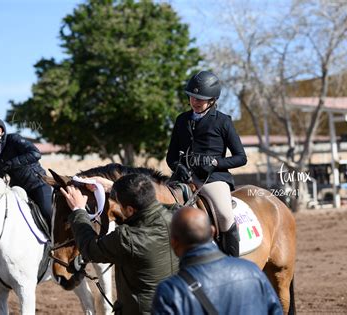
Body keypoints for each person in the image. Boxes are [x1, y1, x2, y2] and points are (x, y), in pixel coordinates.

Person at [61, 173, 179, 315]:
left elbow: (90, 249)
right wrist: (114, 187)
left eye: (121, 205)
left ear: (130, 210)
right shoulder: (178, 215)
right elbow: (152, 203)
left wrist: (78, 210)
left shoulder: (127, 238)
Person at [166, 70, 247, 257]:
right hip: (183, 178)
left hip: (213, 178)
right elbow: (170, 157)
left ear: (212, 100)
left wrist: (214, 162)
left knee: (226, 217)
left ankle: (232, 261)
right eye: (192, 97)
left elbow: (241, 157)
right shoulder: (181, 120)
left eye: (200, 99)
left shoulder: (223, 121)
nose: (195, 102)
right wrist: (178, 167)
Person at [151, 206, 282, 315]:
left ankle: (233, 251)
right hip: (185, 183)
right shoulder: (253, 270)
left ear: (173, 243)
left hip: (213, 181)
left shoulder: (169, 291)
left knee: (225, 216)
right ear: (212, 232)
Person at [0, 116, 52, 227]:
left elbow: (35, 154)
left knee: (46, 212)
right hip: (19, 192)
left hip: (38, 184)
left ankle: (54, 241)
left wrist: (11, 164)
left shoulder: (14, 139)